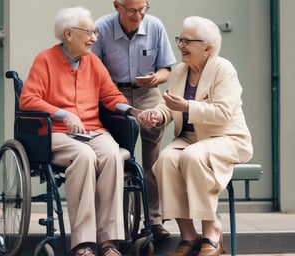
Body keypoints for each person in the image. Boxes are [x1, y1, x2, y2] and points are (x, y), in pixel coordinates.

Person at [19, 6, 136, 256]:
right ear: (69, 33)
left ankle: (108, 241)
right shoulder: (45, 60)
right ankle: (83, 243)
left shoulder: (93, 62)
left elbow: (110, 95)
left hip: (93, 130)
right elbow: (28, 99)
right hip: (57, 132)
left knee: (112, 155)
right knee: (84, 156)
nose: (94, 37)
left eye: (95, 32)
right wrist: (62, 113)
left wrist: (132, 112)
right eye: (89, 32)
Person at [137, 16, 253, 256]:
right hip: (189, 140)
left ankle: (212, 231)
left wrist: (188, 107)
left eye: (187, 41)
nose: (180, 45)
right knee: (165, 161)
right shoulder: (180, 71)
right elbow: (169, 106)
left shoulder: (224, 69)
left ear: (207, 48)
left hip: (226, 138)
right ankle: (188, 237)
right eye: (180, 39)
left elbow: (222, 114)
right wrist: (157, 116)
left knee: (192, 157)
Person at [92, 0, 176, 241]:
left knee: (153, 160)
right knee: (116, 157)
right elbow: (92, 70)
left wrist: (155, 79)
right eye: (132, 10)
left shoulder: (155, 26)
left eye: (142, 9)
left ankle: (155, 220)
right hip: (112, 93)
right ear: (117, 6)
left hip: (147, 93)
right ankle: (114, 222)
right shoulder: (102, 28)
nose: (138, 15)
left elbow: (166, 68)